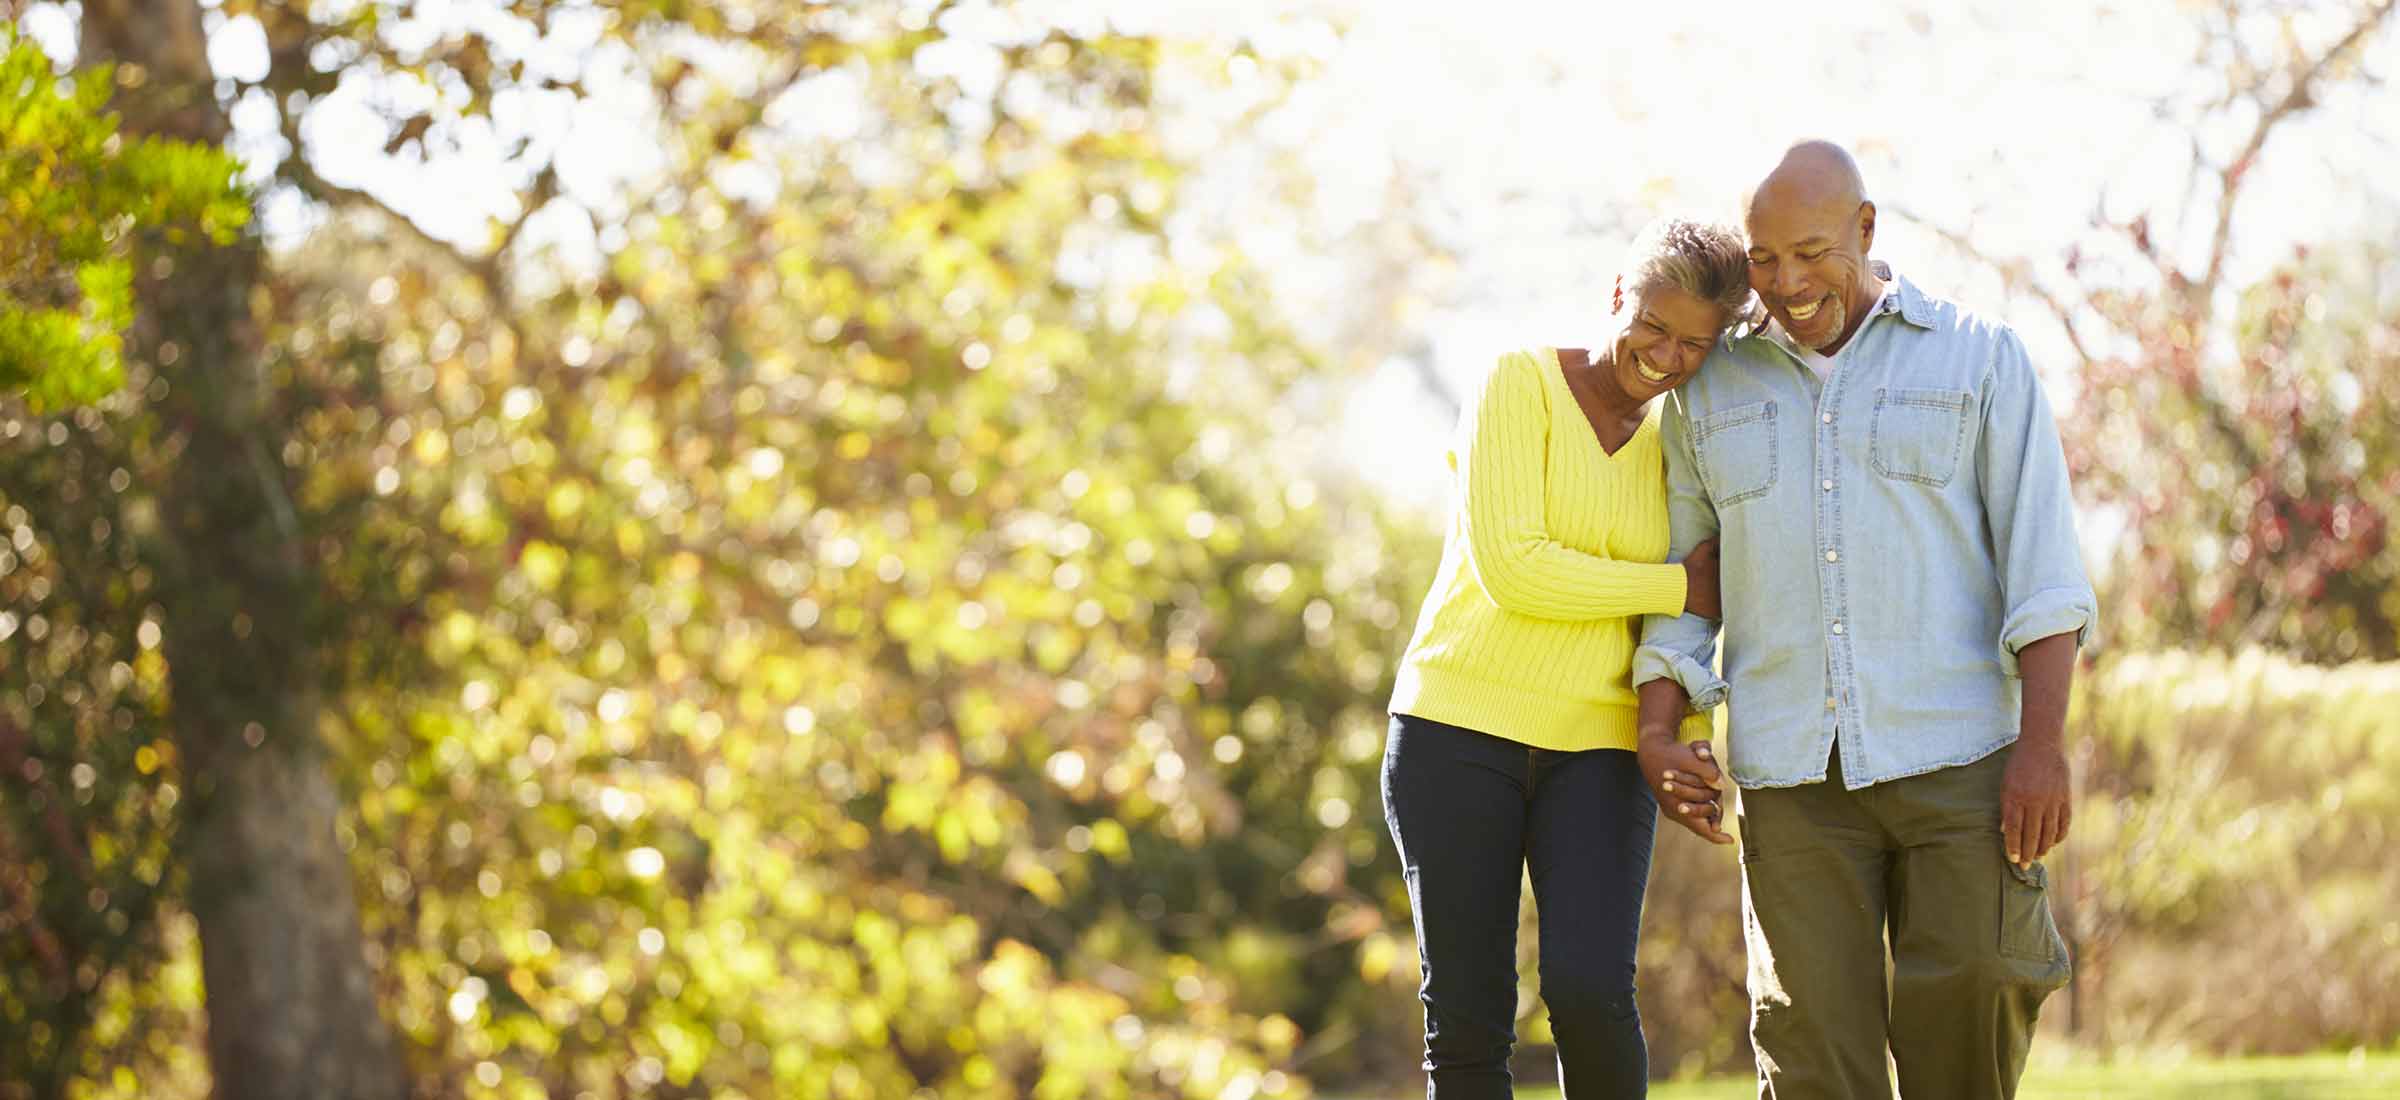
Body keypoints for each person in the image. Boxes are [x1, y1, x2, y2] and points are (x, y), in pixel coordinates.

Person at [1632, 141, 2097, 1099]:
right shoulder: (1708, 389)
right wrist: (1660, 723)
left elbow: (2044, 572)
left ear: (1867, 229)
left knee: (1971, 1012)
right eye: (1764, 259)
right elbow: (1684, 584)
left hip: (1961, 760)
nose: (1788, 283)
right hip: (1793, 777)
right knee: (1812, 1062)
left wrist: (2042, 747)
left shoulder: (1980, 356)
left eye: (1811, 252)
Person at [1382, 216, 1752, 1099]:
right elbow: (1517, 569)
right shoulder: (1520, 382)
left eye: (1695, 344)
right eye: (1654, 326)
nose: (1666, 356)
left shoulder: (1681, 443)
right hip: (1456, 729)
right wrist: (1672, 586)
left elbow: (1694, 615)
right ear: (1617, 296)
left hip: (1600, 746)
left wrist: (1690, 726)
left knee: (1590, 993)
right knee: (1469, 1014)